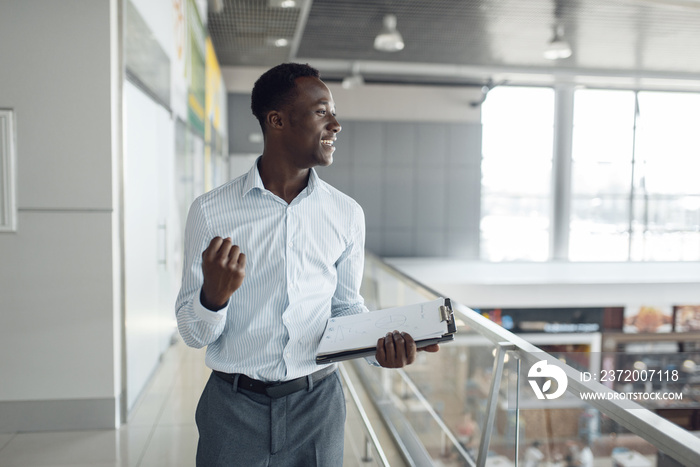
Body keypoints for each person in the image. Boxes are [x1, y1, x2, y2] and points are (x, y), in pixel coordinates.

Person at [175, 62, 439, 467]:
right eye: (321, 111)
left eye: (332, 112)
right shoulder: (212, 212)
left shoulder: (346, 214)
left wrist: (379, 349)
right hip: (231, 410)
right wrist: (213, 298)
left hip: (318, 409)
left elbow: (345, 308)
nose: (335, 124)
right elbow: (193, 334)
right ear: (277, 120)